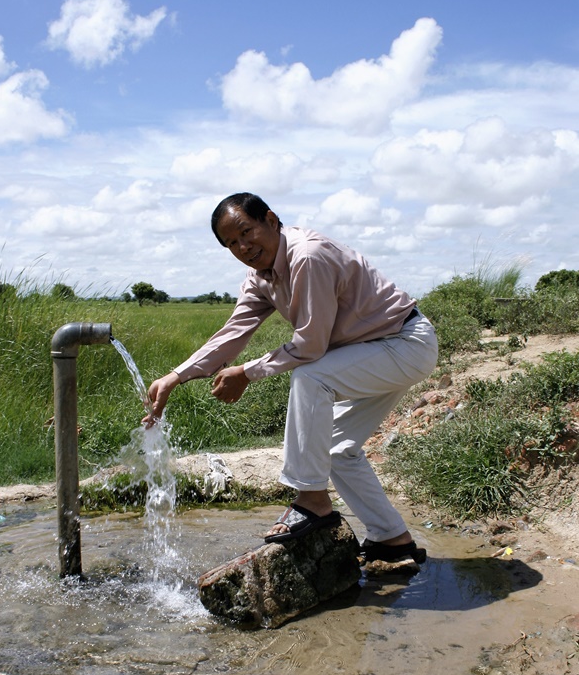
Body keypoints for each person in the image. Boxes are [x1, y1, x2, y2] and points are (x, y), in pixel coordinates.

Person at [144, 193, 438, 564]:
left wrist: (246, 373)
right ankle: (393, 541)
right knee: (335, 449)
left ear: (271, 219)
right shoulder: (260, 275)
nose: (244, 246)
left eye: (246, 232)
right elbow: (234, 331)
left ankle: (311, 499)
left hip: (403, 343)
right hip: (372, 351)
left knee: (312, 375)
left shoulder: (308, 256)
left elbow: (311, 346)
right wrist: (176, 376)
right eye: (232, 243)